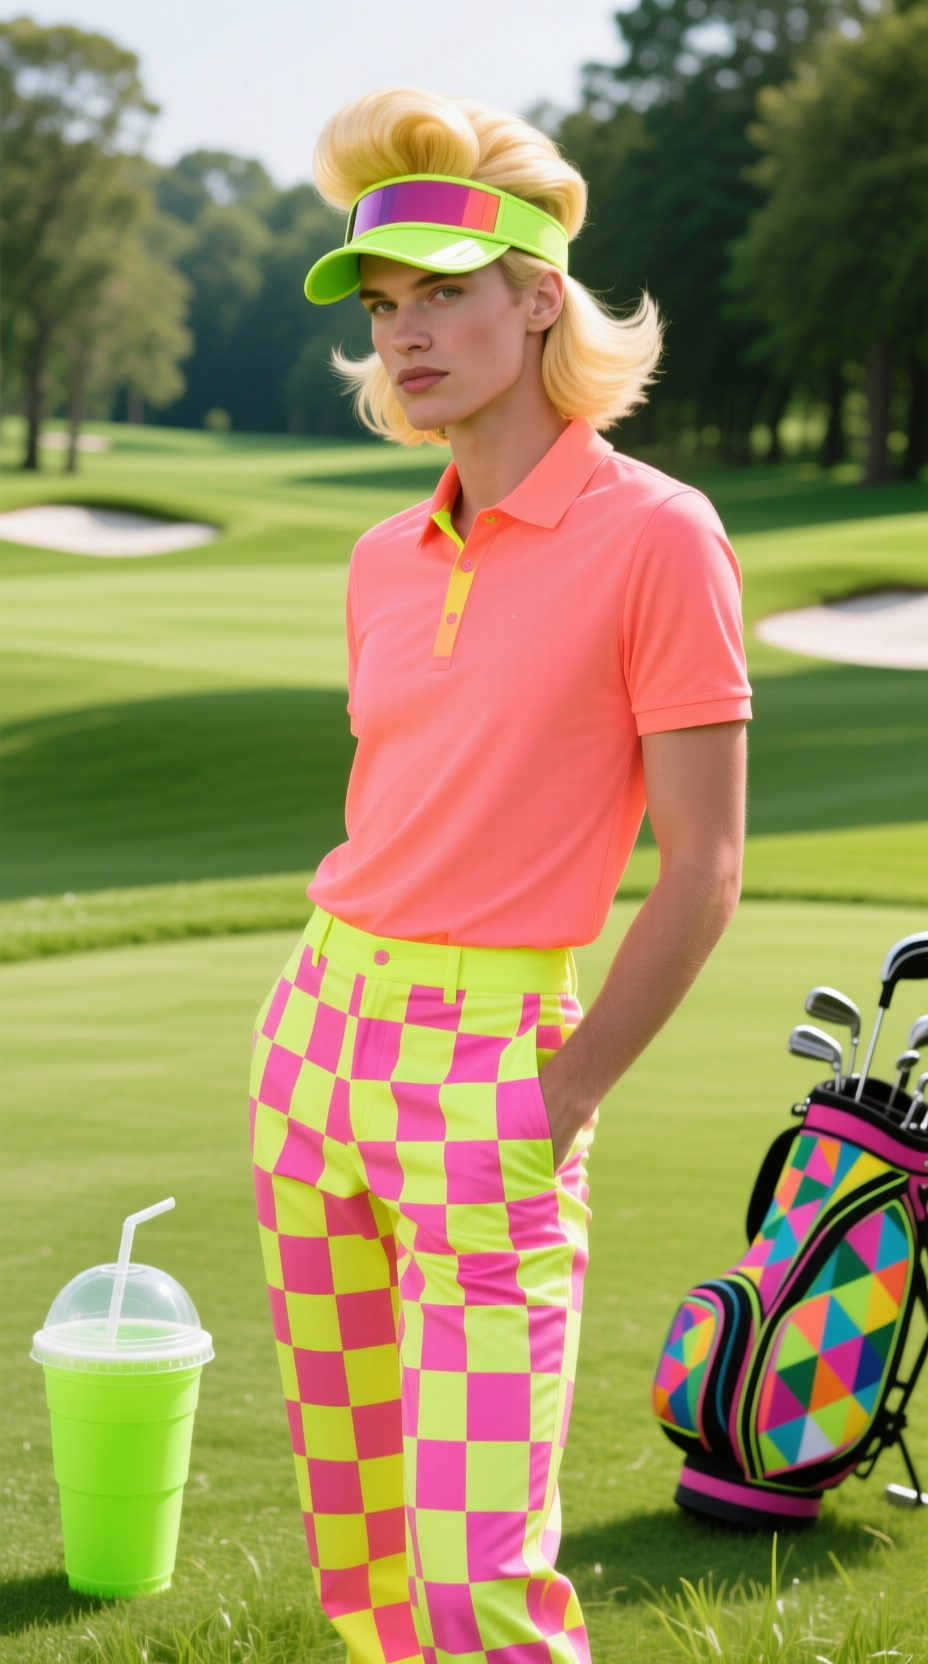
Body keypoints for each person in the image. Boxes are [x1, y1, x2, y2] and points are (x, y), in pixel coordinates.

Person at [250, 86, 751, 1664]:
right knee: (367, 1558)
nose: (407, 336)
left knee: (483, 1583)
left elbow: (708, 864)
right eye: (386, 307)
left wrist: (568, 1089)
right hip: (315, 1045)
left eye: (445, 296)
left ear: (540, 299)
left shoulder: (659, 536)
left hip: (493, 1071)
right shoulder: (379, 561)